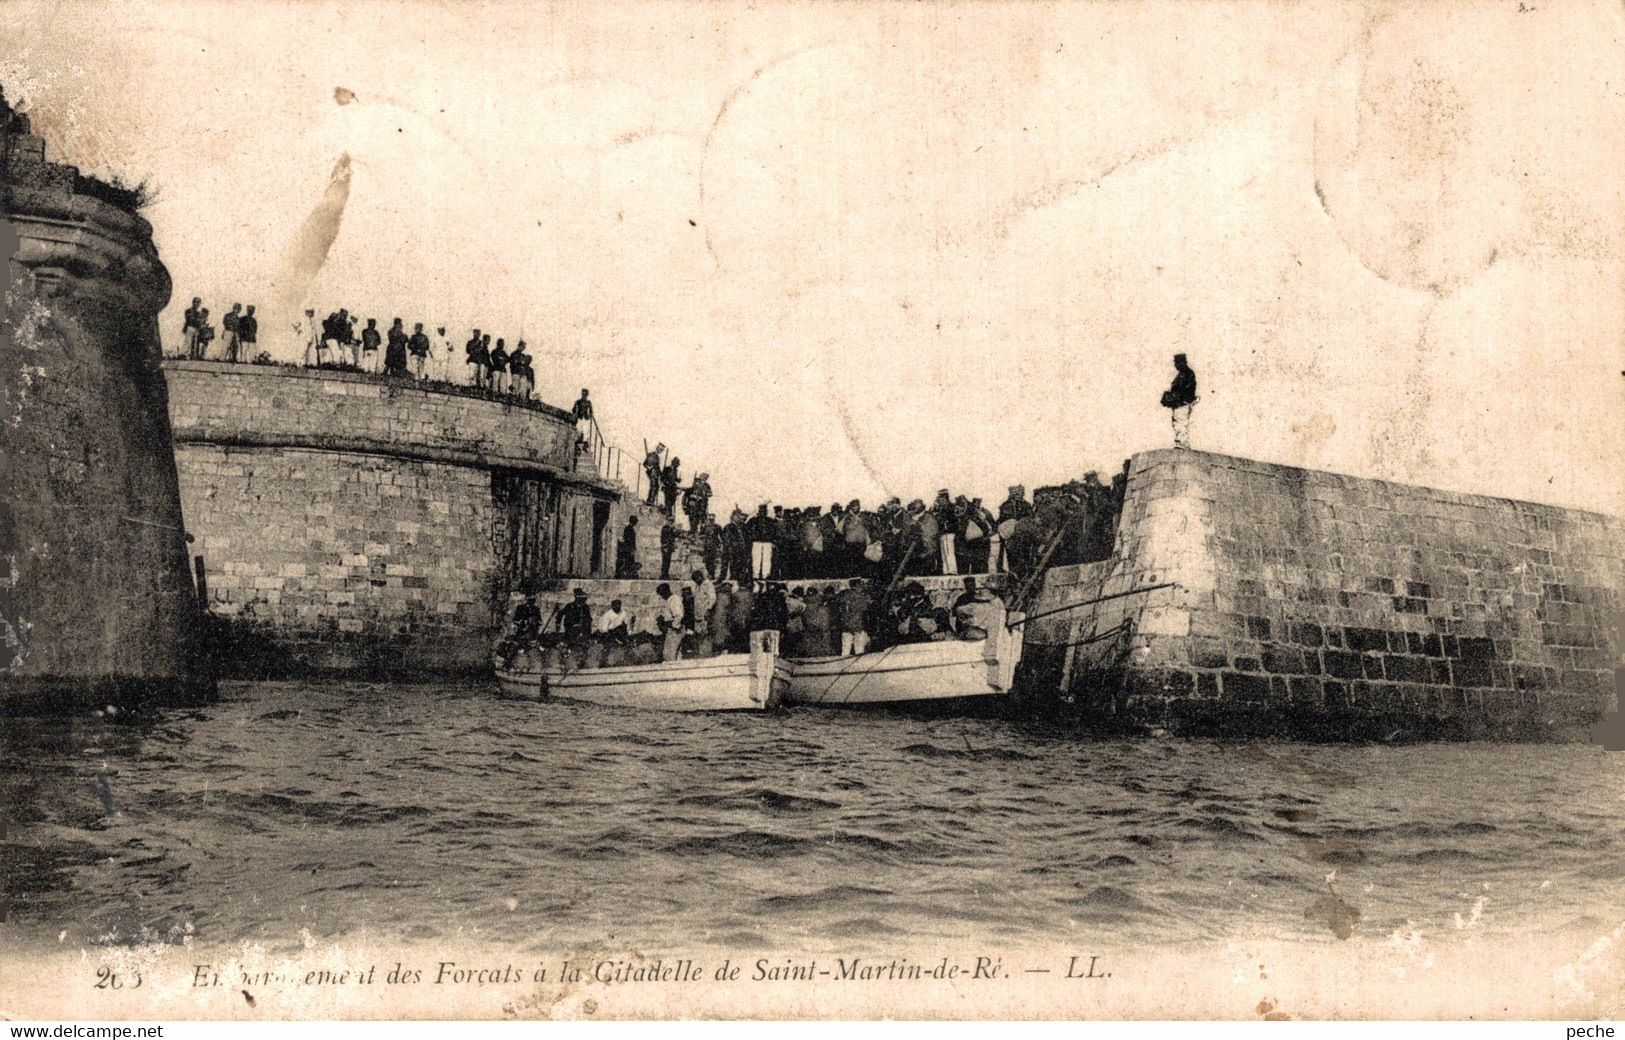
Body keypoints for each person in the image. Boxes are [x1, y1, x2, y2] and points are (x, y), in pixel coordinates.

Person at [1161, 352, 1198, 449]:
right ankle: (1181, 442)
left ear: (1182, 362)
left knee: (1180, 422)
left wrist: (1175, 397)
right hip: (1180, 403)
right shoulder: (1184, 374)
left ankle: (1182, 442)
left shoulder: (1187, 374)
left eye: (1177, 363)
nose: (1175, 365)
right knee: (1178, 422)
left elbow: (1186, 390)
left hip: (1182, 403)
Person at [837, 578, 872, 656]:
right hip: (858, 624)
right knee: (859, 649)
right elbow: (865, 611)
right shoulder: (860, 596)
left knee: (845, 648)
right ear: (857, 585)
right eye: (860, 584)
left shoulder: (843, 595)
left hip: (845, 624)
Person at [745, 504, 777, 584]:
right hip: (757, 542)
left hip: (766, 542)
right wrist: (753, 537)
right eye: (761, 511)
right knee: (757, 558)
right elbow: (747, 529)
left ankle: (765, 575)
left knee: (766, 559)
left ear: (766, 512)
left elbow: (774, 531)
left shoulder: (770, 521)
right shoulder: (754, 520)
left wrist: (772, 540)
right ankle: (756, 575)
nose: (763, 513)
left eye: (764, 511)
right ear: (759, 512)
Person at [933, 489, 960, 575]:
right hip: (943, 532)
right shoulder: (942, 508)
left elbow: (953, 519)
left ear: (945, 497)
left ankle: (952, 570)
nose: (939, 499)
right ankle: (946, 570)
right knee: (944, 552)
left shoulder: (951, 507)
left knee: (949, 551)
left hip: (949, 532)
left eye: (941, 497)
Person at [655, 583, 684, 662]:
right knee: (671, 652)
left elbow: (679, 615)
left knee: (670, 653)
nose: (662, 597)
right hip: (671, 628)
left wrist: (673, 625)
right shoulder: (670, 600)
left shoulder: (673, 600)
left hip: (674, 630)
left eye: (662, 594)